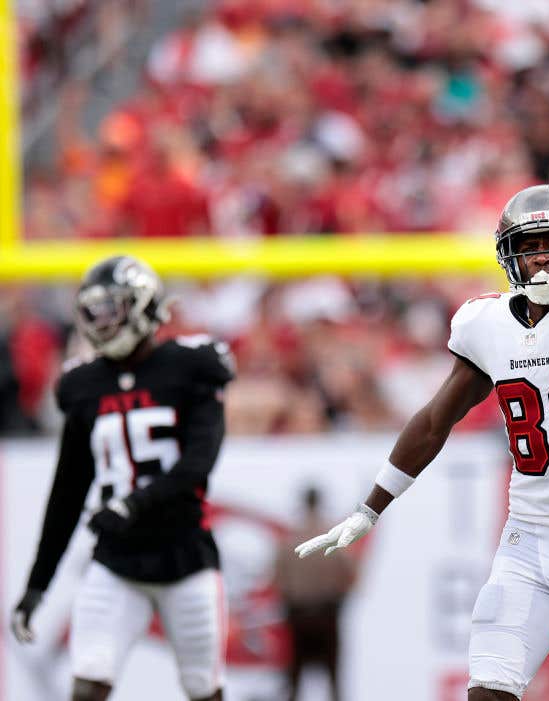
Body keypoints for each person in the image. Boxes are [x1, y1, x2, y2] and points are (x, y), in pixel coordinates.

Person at [295, 143, 549, 701]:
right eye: (530, 248)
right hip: (529, 538)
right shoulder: (486, 323)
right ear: (509, 257)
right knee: (488, 691)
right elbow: (433, 421)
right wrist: (371, 506)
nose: (543, 259)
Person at [10, 255, 235, 701]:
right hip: (116, 563)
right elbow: (68, 491)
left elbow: (197, 463)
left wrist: (132, 504)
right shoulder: (83, 384)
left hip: (184, 559)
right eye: (93, 311)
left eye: (111, 308)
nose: (100, 321)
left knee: (203, 689)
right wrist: (37, 585)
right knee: (88, 683)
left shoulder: (192, 365)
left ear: (142, 305)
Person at [274, 486, 359, 701]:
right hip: (327, 614)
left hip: (298, 616)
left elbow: (277, 580)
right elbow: (352, 576)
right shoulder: (333, 539)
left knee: (294, 683)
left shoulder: (290, 540)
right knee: (334, 683)